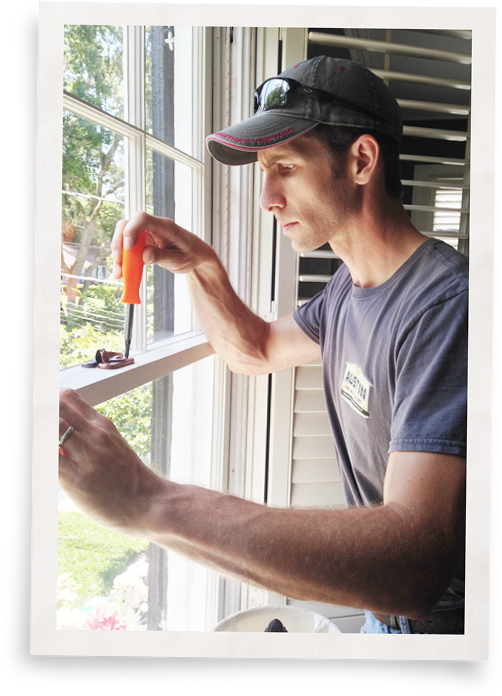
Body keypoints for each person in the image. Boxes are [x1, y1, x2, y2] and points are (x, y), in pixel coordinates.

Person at [59, 56, 467, 634]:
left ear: (361, 160)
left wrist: (147, 500)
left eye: (285, 167)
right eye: (262, 172)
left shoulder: (446, 307)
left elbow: (414, 565)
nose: (267, 197)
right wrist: (201, 267)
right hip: (385, 619)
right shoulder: (350, 289)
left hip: (443, 632)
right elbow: (254, 350)